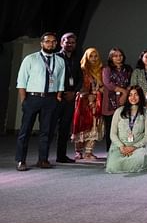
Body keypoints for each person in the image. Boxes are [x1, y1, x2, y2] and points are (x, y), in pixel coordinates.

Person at [15, 32, 66, 171]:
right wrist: (23, 100)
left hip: (50, 98)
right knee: (25, 130)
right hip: (32, 98)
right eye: (47, 41)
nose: (50, 44)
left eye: (53, 41)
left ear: (56, 44)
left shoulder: (60, 60)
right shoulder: (30, 59)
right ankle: (21, 160)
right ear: (41, 43)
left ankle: (43, 159)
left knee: (46, 131)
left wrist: (59, 96)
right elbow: (21, 81)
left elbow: (61, 81)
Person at [106, 85, 147, 173]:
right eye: (130, 95)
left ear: (140, 96)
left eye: (136, 94)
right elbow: (112, 134)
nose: (133, 97)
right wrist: (121, 146)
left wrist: (133, 147)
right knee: (114, 166)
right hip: (120, 146)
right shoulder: (119, 111)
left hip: (138, 147)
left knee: (137, 162)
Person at [53, 32, 81, 163]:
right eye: (67, 42)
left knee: (64, 128)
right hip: (56, 97)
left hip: (70, 97)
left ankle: (61, 156)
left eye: (72, 42)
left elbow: (80, 79)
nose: (70, 44)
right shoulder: (55, 57)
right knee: (49, 126)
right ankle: (43, 158)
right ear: (61, 43)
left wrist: (74, 92)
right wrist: (60, 92)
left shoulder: (77, 59)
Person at [72, 48, 104, 161]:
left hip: (96, 101)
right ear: (86, 57)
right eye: (91, 56)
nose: (94, 59)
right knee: (81, 124)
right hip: (83, 101)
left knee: (94, 125)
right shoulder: (82, 70)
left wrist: (98, 92)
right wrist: (86, 94)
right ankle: (78, 151)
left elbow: (103, 86)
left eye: (96, 56)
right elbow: (77, 86)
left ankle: (89, 152)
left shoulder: (101, 70)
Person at [101, 47, 132, 153]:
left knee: (124, 127)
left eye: (120, 55)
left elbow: (131, 83)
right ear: (111, 57)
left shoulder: (127, 69)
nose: (118, 58)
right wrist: (123, 91)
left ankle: (125, 151)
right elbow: (108, 84)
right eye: (115, 56)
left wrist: (126, 92)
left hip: (125, 100)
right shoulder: (107, 69)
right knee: (111, 128)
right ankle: (111, 153)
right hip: (110, 101)